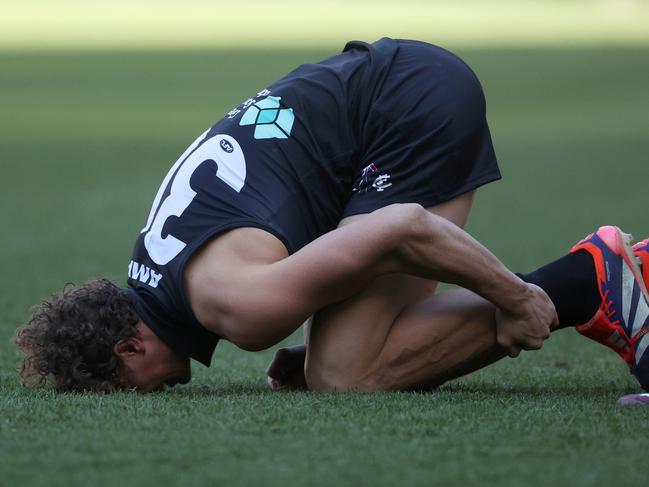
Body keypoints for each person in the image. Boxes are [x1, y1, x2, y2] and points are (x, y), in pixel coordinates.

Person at [15, 38, 649, 394]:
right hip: (385, 97)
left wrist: (516, 297)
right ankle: (609, 274)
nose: (152, 396)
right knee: (336, 360)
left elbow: (403, 227)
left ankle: (589, 280)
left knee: (345, 373)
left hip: (407, 111)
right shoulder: (156, 261)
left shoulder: (236, 303)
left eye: (133, 389)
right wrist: (318, 336)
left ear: (129, 347)